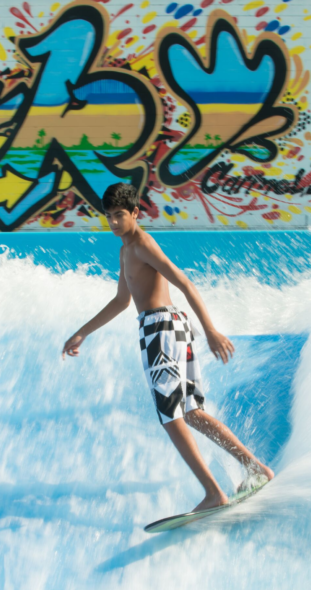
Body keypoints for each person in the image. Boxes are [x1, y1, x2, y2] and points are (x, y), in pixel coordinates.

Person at [62, 183, 274, 512]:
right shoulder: (126, 248)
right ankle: (254, 467)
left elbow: (184, 282)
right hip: (173, 326)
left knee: (170, 415)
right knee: (192, 414)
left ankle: (213, 492)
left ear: (135, 213)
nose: (114, 223)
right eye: (109, 217)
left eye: (120, 215)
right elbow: (121, 301)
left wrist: (211, 330)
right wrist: (82, 332)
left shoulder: (142, 244)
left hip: (159, 330)